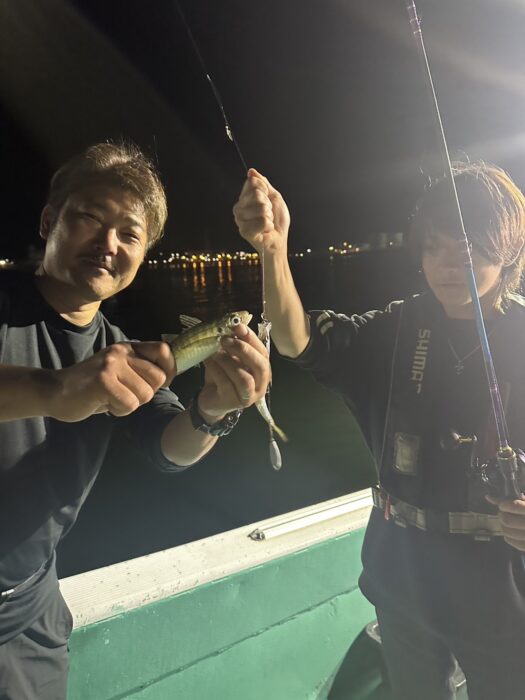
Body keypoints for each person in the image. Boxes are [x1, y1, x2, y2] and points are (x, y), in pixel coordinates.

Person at [234, 162, 525, 700]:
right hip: (404, 580)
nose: (447, 263)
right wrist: (273, 248)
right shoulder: (397, 328)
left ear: (507, 248)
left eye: (467, 248)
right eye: (434, 246)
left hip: (506, 594)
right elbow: (301, 341)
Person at [0, 142, 271, 700]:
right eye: (89, 217)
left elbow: (168, 447)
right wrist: (53, 390)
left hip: (29, 616)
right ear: (50, 222)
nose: (108, 244)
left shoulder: (116, 349)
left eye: (129, 234)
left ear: (142, 255)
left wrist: (215, 409)